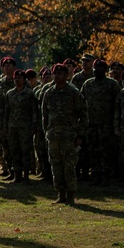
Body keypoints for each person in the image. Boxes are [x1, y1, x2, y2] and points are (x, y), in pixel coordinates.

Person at [42, 63, 87, 205]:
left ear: (66, 75)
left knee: (69, 166)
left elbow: (83, 114)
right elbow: (45, 115)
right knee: (56, 166)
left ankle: (71, 194)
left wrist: (79, 135)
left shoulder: (73, 92)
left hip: (69, 137)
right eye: (55, 73)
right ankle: (60, 193)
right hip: (54, 136)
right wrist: (47, 133)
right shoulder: (49, 93)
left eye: (60, 73)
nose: (57, 76)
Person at [79, 59, 121, 186]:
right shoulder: (88, 84)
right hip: (91, 124)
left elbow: (118, 105)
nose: (96, 70)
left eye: (100, 68)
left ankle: (106, 176)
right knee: (93, 151)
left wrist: (115, 124)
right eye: (95, 68)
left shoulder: (112, 84)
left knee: (106, 151)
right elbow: (81, 103)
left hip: (106, 124)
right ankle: (96, 175)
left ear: (105, 70)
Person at [5, 69, 39, 184]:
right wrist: (5, 126)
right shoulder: (10, 94)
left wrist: (34, 125)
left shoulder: (29, 94)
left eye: (19, 78)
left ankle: (26, 175)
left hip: (25, 127)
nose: (17, 80)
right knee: (14, 151)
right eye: (15, 78)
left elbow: (34, 110)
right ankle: (16, 175)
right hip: (13, 127)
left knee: (25, 151)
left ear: (24, 80)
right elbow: (6, 111)